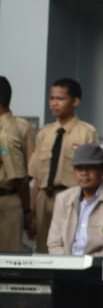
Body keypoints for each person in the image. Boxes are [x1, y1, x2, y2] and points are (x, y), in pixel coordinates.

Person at [28, 78, 98, 253]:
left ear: (75, 101)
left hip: (71, 198)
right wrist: (32, 212)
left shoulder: (86, 132)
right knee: (43, 249)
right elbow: (37, 178)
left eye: (60, 99)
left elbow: (93, 175)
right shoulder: (44, 133)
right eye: (52, 98)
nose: (54, 103)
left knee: (68, 247)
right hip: (45, 198)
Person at [46, 143, 103, 257]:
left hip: (102, 264)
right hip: (66, 264)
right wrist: (69, 262)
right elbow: (54, 243)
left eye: (90, 167)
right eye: (79, 168)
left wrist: (90, 262)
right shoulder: (63, 198)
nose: (84, 173)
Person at [0, 76, 35, 251]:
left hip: (7, 198)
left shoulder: (15, 130)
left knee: (6, 257)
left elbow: (23, 174)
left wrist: (27, 210)